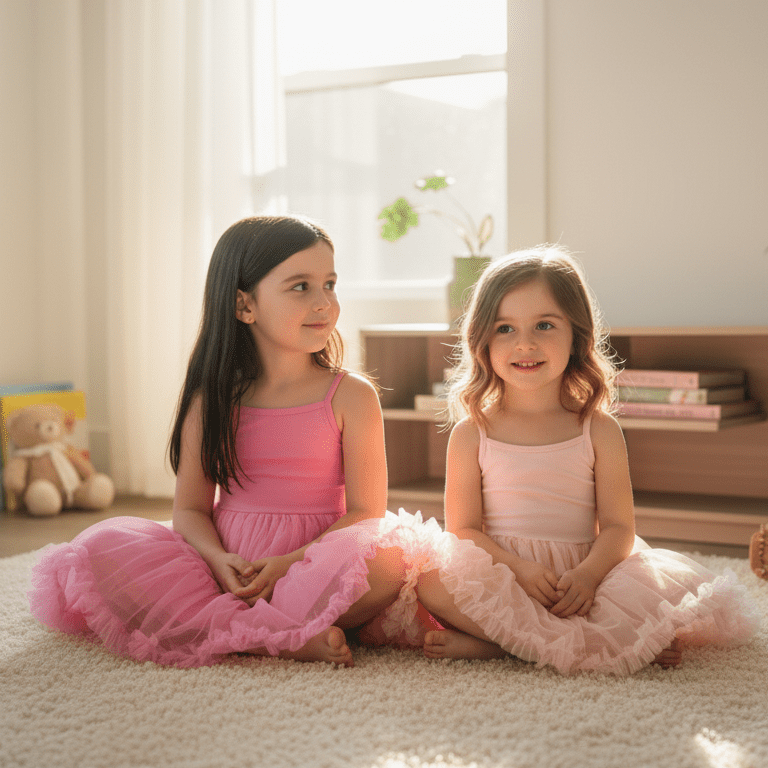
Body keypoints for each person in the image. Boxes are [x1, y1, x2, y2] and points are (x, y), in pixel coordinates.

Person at [28, 215, 429, 668]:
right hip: (225, 568)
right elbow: (191, 510)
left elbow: (365, 514)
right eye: (301, 287)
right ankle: (273, 634)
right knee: (103, 545)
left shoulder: (352, 395)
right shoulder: (214, 400)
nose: (324, 303)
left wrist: (292, 561)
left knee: (392, 556)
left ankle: (266, 628)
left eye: (330, 284)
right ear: (244, 306)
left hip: (314, 562)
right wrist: (218, 559)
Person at [413, 245, 759, 675]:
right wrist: (519, 570)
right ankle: (582, 647)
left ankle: (506, 646)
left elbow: (618, 527)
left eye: (544, 325)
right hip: (510, 573)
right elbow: (463, 531)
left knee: (641, 600)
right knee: (430, 581)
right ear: (481, 339)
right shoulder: (471, 432)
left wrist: (589, 577)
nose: (525, 343)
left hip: (588, 573)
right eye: (505, 328)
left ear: (577, 336)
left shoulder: (598, 429)